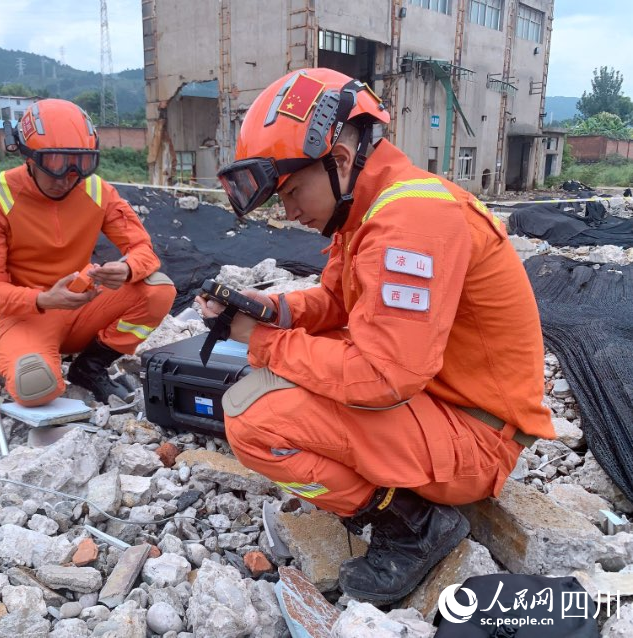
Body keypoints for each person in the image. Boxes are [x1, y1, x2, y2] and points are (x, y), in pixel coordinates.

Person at [198, 68, 554, 604]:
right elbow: (338, 303)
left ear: (339, 160)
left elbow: (383, 377)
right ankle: (404, 498)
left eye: (292, 190)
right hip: (443, 401)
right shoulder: (373, 206)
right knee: (294, 368)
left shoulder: (411, 222)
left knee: (252, 421)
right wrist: (267, 310)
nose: (289, 211)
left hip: (477, 438)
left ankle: (414, 525)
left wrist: (263, 341)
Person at [0, 99, 176, 406]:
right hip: (26, 315)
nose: (67, 176)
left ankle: (90, 366)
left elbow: (143, 250)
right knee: (36, 388)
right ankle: (4, 350)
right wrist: (42, 299)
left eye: (79, 163)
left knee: (158, 290)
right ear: (28, 156)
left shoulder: (97, 191)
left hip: (82, 305)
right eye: (55, 163)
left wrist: (128, 269)